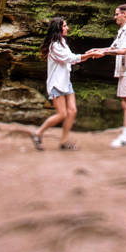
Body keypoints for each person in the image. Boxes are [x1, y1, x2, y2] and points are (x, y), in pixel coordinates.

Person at [30, 16, 92, 151]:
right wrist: (88, 55)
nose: (67, 28)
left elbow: (72, 60)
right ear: (58, 29)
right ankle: (37, 133)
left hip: (66, 82)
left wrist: (89, 54)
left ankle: (63, 142)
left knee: (73, 111)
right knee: (62, 114)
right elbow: (68, 58)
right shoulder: (54, 46)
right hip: (56, 84)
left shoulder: (63, 42)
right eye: (65, 26)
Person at [86, 3, 126, 148]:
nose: (114, 17)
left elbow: (123, 50)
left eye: (117, 14)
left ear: (125, 14)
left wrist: (103, 53)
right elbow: (113, 48)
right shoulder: (122, 31)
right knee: (125, 103)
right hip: (125, 71)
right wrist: (96, 50)